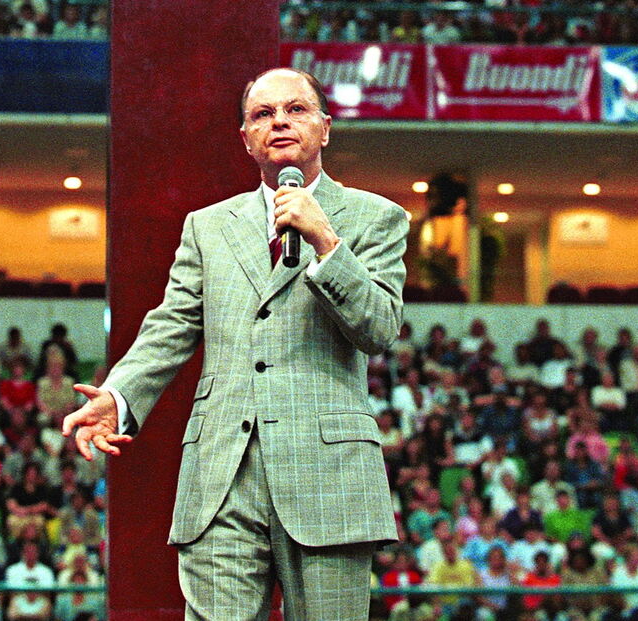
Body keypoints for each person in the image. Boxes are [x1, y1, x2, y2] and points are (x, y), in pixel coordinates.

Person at [61, 66, 406, 620]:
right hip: (222, 475)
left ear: (325, 128)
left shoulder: (376, 218)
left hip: (329, 476)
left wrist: (325, 240)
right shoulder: (207, 227)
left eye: (296, 109)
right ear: (247, 139)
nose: (280, 122)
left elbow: (380, 327)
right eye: (263, 114)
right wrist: (119, 395)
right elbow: (170, 325)